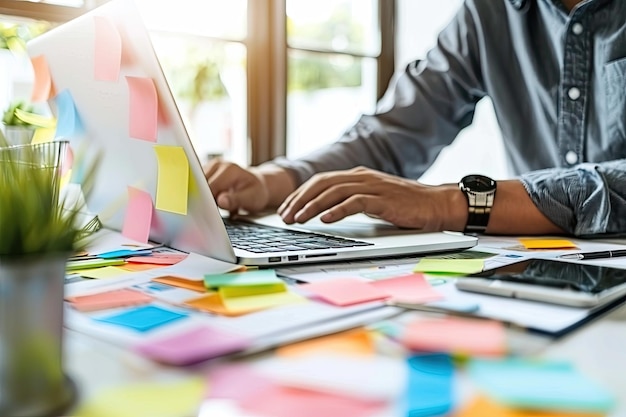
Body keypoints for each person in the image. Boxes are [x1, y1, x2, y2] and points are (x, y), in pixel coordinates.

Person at [205, 0, 626, 237]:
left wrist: (450, 202)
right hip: (540, 281)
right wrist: (272, 182)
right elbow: (392, 136)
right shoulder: (488, 13)